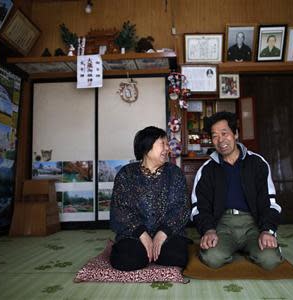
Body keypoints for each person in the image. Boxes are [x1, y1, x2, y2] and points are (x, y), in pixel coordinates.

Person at [191, 112, 283, 270]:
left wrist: (267, 230)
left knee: (270, 260)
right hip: (222, 224)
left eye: (224, 133)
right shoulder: (207, 170)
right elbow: (199, 207)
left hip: (253, 223)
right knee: (213, 257)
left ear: (236, 134)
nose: (220, 140)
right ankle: (230, 248)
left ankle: (256, 246)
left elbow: (270, 202)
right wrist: (209, 230)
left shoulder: (257, 163)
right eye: (215, 136)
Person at [110, 126, 190, 271]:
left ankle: (153, 251)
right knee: (127, 259)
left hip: (168, 234)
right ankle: (144, 251)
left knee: (178, 256)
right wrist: (142, 233)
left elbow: (181, 207)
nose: (168, 149)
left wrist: (163, 232)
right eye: (163, 144)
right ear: (147, 146)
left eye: (167, 144)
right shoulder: (126, 174)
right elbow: (120, 208)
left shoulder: (175, 173)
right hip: (134, 235)